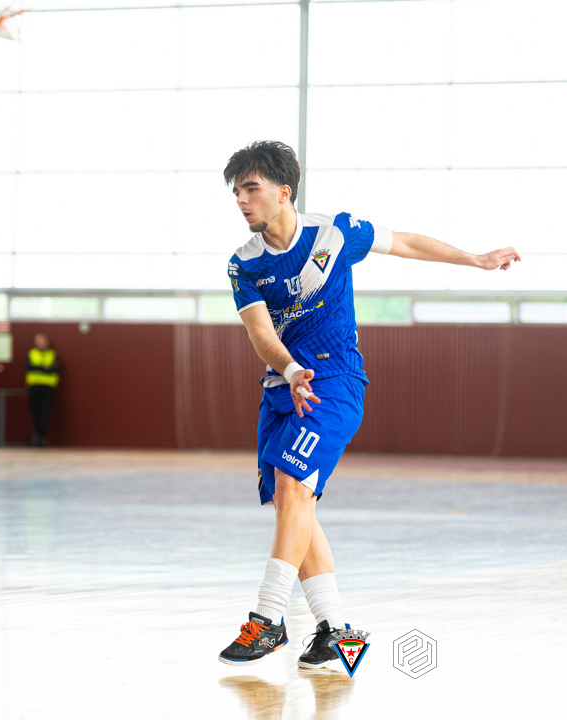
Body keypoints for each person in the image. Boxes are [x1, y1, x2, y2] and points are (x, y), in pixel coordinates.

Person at [216, 140, 521, 667]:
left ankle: (268, 620)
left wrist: (474, 259)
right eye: (236, 192)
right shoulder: (243, 263)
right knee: (294, 506)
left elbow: (405, 243)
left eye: (251, 189)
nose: (241, 200)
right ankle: (336, 632)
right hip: (283, 388)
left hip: (333, 384)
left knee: (293, 489)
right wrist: (289, 370)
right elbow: (261, 333)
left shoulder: (336, 233)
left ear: (284, 192)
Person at [25, 333, 60, 447]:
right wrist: (44, 367)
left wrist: (38, 367)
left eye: (42, 340)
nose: (40, 343)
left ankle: (41, 437)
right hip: (34, 387)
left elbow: (55, 368)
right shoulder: (31, 353)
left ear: (47, 342)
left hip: (48, 388)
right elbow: (29, 366)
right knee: (35, 412)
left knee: (45, 413)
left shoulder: (52, 354)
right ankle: (36, 436)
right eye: (37, 341)